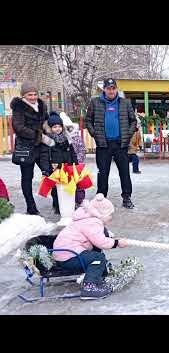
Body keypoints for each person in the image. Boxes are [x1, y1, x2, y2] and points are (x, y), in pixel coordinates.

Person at [53, 193, 128, 300]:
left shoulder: (85, 217)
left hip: (64, 254)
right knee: (98, 258)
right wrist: (117, 243)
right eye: (110, 215)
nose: (111, 218)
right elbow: (100, 242)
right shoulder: (92, 222)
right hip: (69, 257)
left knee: (96, 254)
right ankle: (89, 288)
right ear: (102, 214)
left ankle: (99, 274)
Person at [84, 78, 137, 209]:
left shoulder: (125, 103)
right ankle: (101, 199)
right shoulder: (95, 102)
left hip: (121, 144)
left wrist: (128, 134)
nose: (111, 91)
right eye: (108, 88)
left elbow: (133, 121)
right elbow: (88, 120)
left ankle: (126, 197)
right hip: (103, 144)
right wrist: (94, 133)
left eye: (113, 88)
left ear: (116, 89)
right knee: (103, 172)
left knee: (124, 172)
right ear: (104, 89)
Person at [10, 81, 50, 215]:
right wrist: (38, 135)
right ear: (23, 95)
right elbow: (19, 128)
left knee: (50, 173)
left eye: (34, 94)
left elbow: (46, 121)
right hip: (26, 148)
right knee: (27, 177)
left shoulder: (42, 105)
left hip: (42, 147)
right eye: (29, 95)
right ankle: (31, 207)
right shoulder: (19, 108)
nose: (33, 97)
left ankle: (57, 202)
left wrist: (53, 127)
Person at [42, 112, 79, 214]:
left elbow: (73, 152)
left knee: (69, 185)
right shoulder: (48, 140)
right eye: (54, 127)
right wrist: (45, 169)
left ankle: (70, 203)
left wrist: (75, 163)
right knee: (56, 188)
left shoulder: (66, 138)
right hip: (55, 167)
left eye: (59, 126)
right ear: (50, 128)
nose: (57, 129)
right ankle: (57, 205)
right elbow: (44, 156)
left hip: (67, 165)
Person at [60, 112, 87, 206]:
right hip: (68, 164)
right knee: (70, 183)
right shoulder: (63, 138)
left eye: (69, 127)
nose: (69, 129)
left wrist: (79, 162)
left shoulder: (75, 136)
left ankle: (79, 200)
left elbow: (82, 149)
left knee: (79, 183)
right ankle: (72, 200)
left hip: (77, 164)